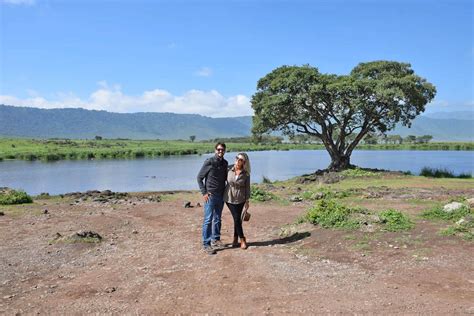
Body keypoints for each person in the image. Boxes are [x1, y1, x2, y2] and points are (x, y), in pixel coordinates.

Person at [197, 142, 228, 255]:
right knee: (208, 220)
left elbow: (226, 179)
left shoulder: (225, 163)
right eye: (219, 149)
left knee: (218, 218)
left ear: (225, 151)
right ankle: (206, 244)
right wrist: (204, 192)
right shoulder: (209, 162)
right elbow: (199, 178)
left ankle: (216, 239)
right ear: (215, 150)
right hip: (210, 196)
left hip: (221, 195)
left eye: (222, 149)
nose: (220, 151)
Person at [223, 152, 251, 250]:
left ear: (244, 162)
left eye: (241, 159)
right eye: (237, 158)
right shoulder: (228, 169)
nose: (238, 160)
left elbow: (247, 188)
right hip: (229, 197)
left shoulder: (246, 173)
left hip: (240, 199)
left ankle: (235, 239)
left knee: (237, 219)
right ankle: (242, 239)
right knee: (236, 218)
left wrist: (247, 201)